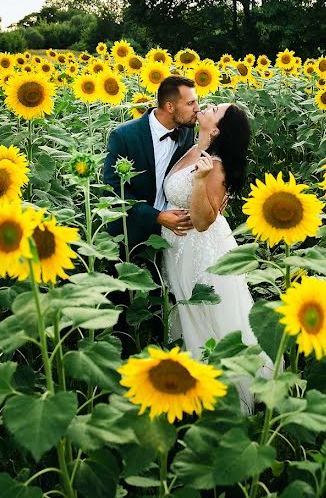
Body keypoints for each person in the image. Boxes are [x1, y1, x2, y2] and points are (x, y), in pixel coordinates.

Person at [160, 102, 274, 414]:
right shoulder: (196, 148)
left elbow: (202, 220)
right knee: (192, 314)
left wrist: (198, 182)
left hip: (199, 250)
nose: (205, 106)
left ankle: (222, 402)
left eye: (214, 107)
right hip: (180, 247)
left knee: (206, 318)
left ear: (218, 127)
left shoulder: (216, 166)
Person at [103, 75, 200, 251]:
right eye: (190, 103)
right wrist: (157, 217)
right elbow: (113, 190)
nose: (197, 109)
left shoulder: (186, 133)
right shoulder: (124, 136)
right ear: (170, 107)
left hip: (172, 235)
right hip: (129, 233)